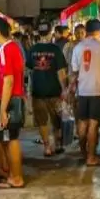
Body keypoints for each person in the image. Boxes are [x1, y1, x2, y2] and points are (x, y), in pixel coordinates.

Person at [71, 18, 100, 166]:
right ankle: (91, 157)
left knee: (82, 122)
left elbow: (74, 70)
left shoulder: (78, 47)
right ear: (99, 30)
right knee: (93, 123)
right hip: (98, 89)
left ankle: (84, 153)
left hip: (83, 90)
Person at [0, 18, 26, 189]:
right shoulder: (13, 48)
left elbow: (8, 80)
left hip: (11, 99)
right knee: (12, 138)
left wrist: (2, 109)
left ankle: (16, 177)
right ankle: (13, 175)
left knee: (11, 139)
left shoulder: (5, 50)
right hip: (16, 98)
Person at [27, 21, 68, 156]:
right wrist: (64, 89)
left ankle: (46, 147)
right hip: (54, 91)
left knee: (42, 121)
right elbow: (61, 72)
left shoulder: (32, 50)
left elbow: (27, 72)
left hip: (38, 91)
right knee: (56, 119)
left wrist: (27, 93)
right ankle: (57, 144)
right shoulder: (56, 49)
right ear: (51, 32)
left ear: (38, 33)